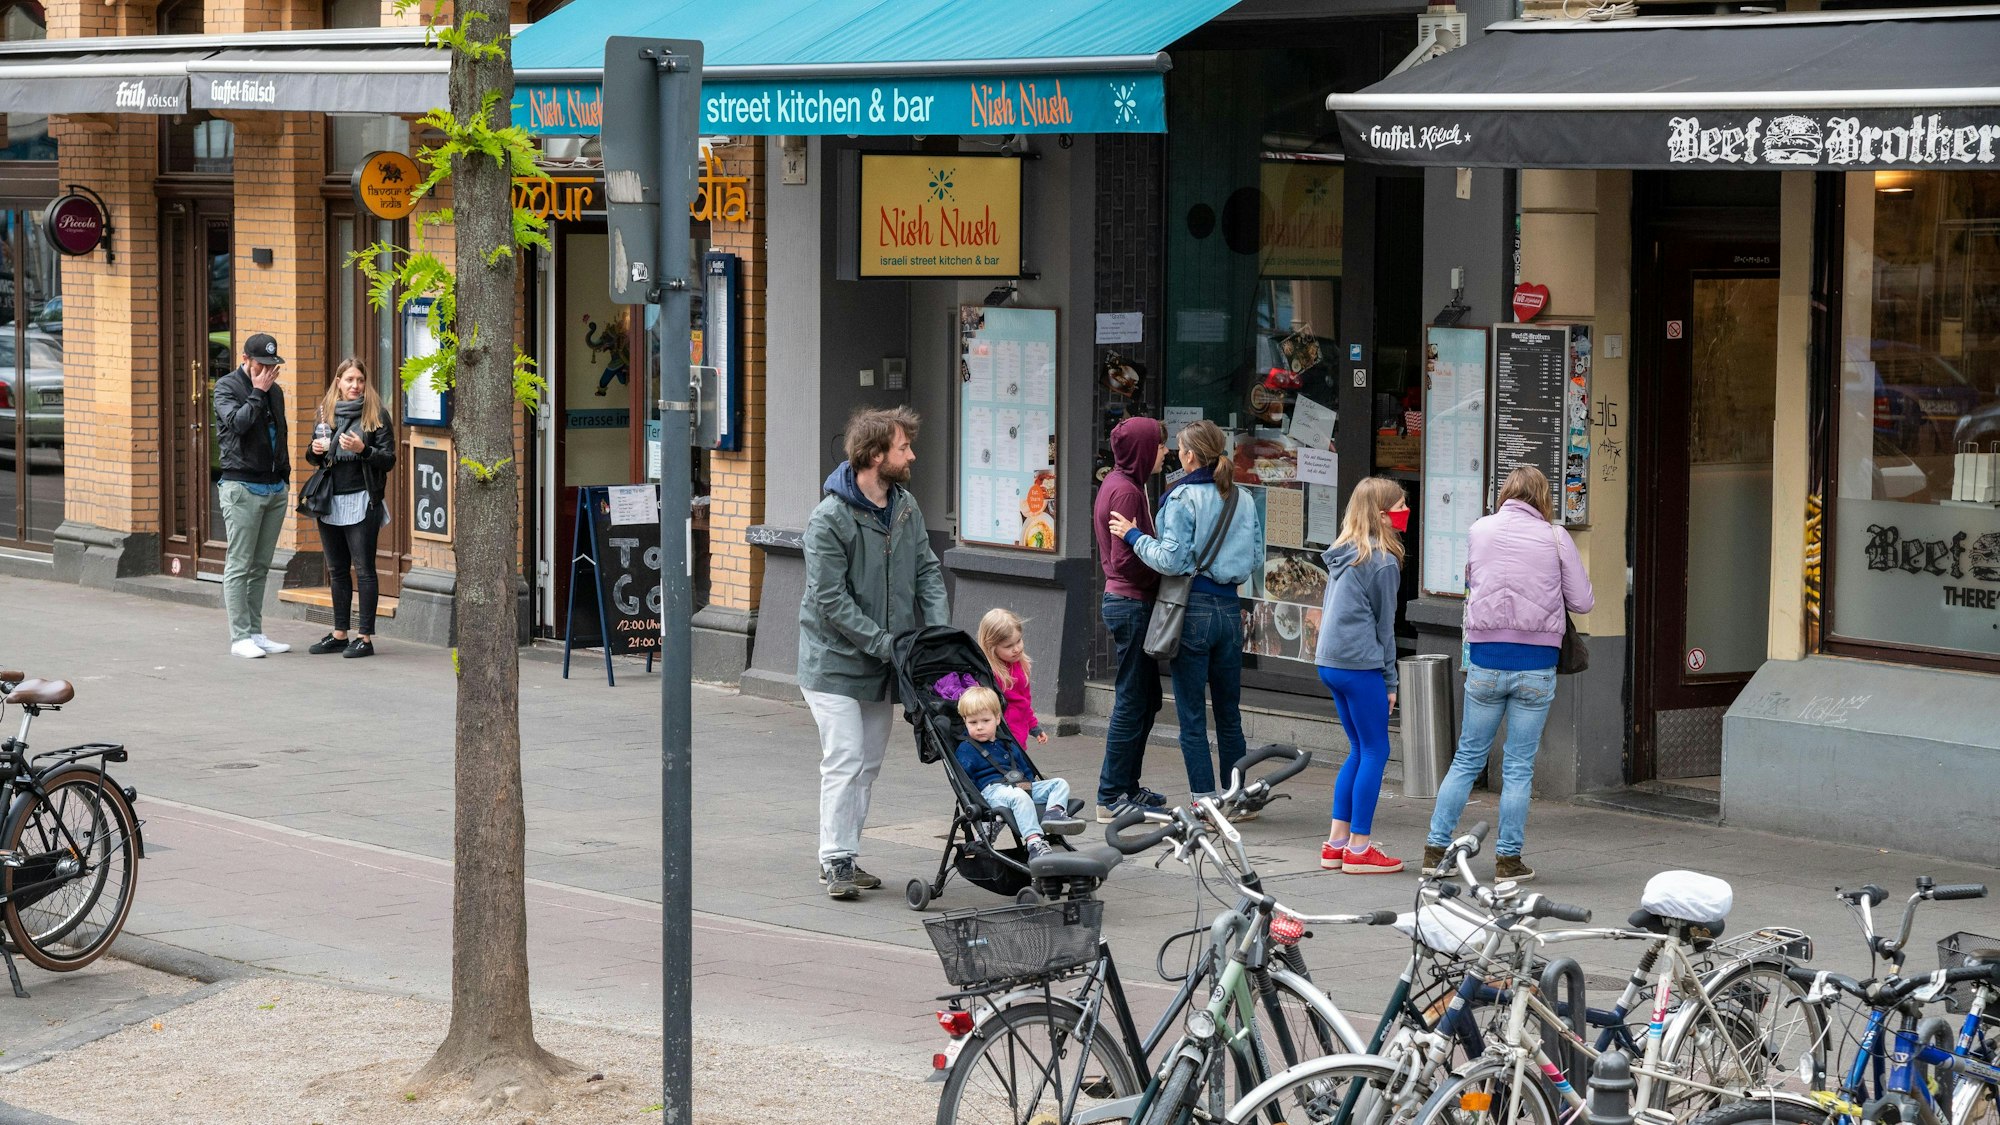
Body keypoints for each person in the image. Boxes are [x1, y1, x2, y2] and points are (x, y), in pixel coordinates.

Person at [800, 406, 949, 900]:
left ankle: (845, 853)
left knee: (868, 763)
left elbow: (927, 570)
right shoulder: (828, 520)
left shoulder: (905, 508)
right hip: (834, 663)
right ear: (874, 454)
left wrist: (939, 634)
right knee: (844, 757)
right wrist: (884, 642)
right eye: (903, 447)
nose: (912, 455)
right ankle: (835, 860)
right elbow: (830, 600)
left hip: (886, 661)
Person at [1425, 466, 1595, 883]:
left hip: (1485, 657)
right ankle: (1507, 861)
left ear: (1505, 494)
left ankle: (1434, 852)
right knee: (1518, 767)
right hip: (1536, 663)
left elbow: (1471, 581)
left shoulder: (1479, 529)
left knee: (1466, 758)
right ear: (1542, 496)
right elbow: (1583, 601)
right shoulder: (1556, 536)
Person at [1107, 419, 1262, 802]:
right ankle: (1237, 796)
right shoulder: (1242, 496)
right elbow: (1255, 558)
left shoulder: (1180, 499)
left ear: (1190, 455)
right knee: (1229, 712)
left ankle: (1204, 799)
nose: (1175, 455)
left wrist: (1133, 535)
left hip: (1191, 611)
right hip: (1230, 609)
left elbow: (1172, 561)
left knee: (1192, 715)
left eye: (1178, 449)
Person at [1313, 477, 1409, 875]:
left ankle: (1336, 842)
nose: (1407, 511)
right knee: (1375, 751)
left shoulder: (1342, 552)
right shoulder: (1383, 561)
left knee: (1358, 748)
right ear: (1385, 515)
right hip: (1360, 664)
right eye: (1402, 505)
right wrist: (1390, 682)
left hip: (1330, 662)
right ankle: (1359, 848)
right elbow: (1385, 627)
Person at [1090, 416, 1170, 822]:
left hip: (1130, 602)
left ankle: (1128, 787)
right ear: (1142, 449)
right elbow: (1125, 559)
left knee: (1147, 700)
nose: (1165, 452)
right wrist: (1164, 569)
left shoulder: (1127, 484)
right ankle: (1110, 795)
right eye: (1159, 445)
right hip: (1131, 603)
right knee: (1131, 700)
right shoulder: (1125, 492)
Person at [304, 358, 396, 660]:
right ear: (338, 382)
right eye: (349, 380)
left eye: (359, 380)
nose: (355, 386)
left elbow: (389, 459)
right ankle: (340, 633)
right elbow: (314, 456)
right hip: (330, 500)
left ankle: (365, 637)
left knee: (365, 569)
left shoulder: (377, 415)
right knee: (337, 570)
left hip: (362, 499)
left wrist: (363, 450)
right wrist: (315, 451)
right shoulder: (326, 413)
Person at [212, 332, 294, 660]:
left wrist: (285, 478)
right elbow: (239, 424)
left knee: (260, 566)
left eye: (272, 365)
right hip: (241, 486)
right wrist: (258, 392)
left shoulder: (275, 392)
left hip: (274, 487)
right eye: (261, 364)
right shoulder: (227, 387)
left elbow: (281, 433)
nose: (268, 371)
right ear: (245, 359)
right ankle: (240, 637)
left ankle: (256, 632)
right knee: (239, 564)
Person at [953, 686, 1083, 860]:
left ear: (997, 719)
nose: (979, 727)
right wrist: (978, 803)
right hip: (992, 790)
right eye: (973, 723)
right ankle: (1034, 842)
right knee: (1019, 797)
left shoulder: (1007, 743)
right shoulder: (966, 749)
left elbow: (1024, 768)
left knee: (1059, 783)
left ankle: (1055, 814)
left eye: (985, 721)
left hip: (1018, 785)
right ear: (965, 722)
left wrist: (1031, 784)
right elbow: (966, 780)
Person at [977, 608, 1047, 753]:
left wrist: (1033, 726)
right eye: (1009, 646)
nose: (1016, 649)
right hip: (1001, 733)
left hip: (1020, 732)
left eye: (1019, 641)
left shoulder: (1021, 664)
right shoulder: (990, 674)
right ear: (991, 647)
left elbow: (1025, 700)